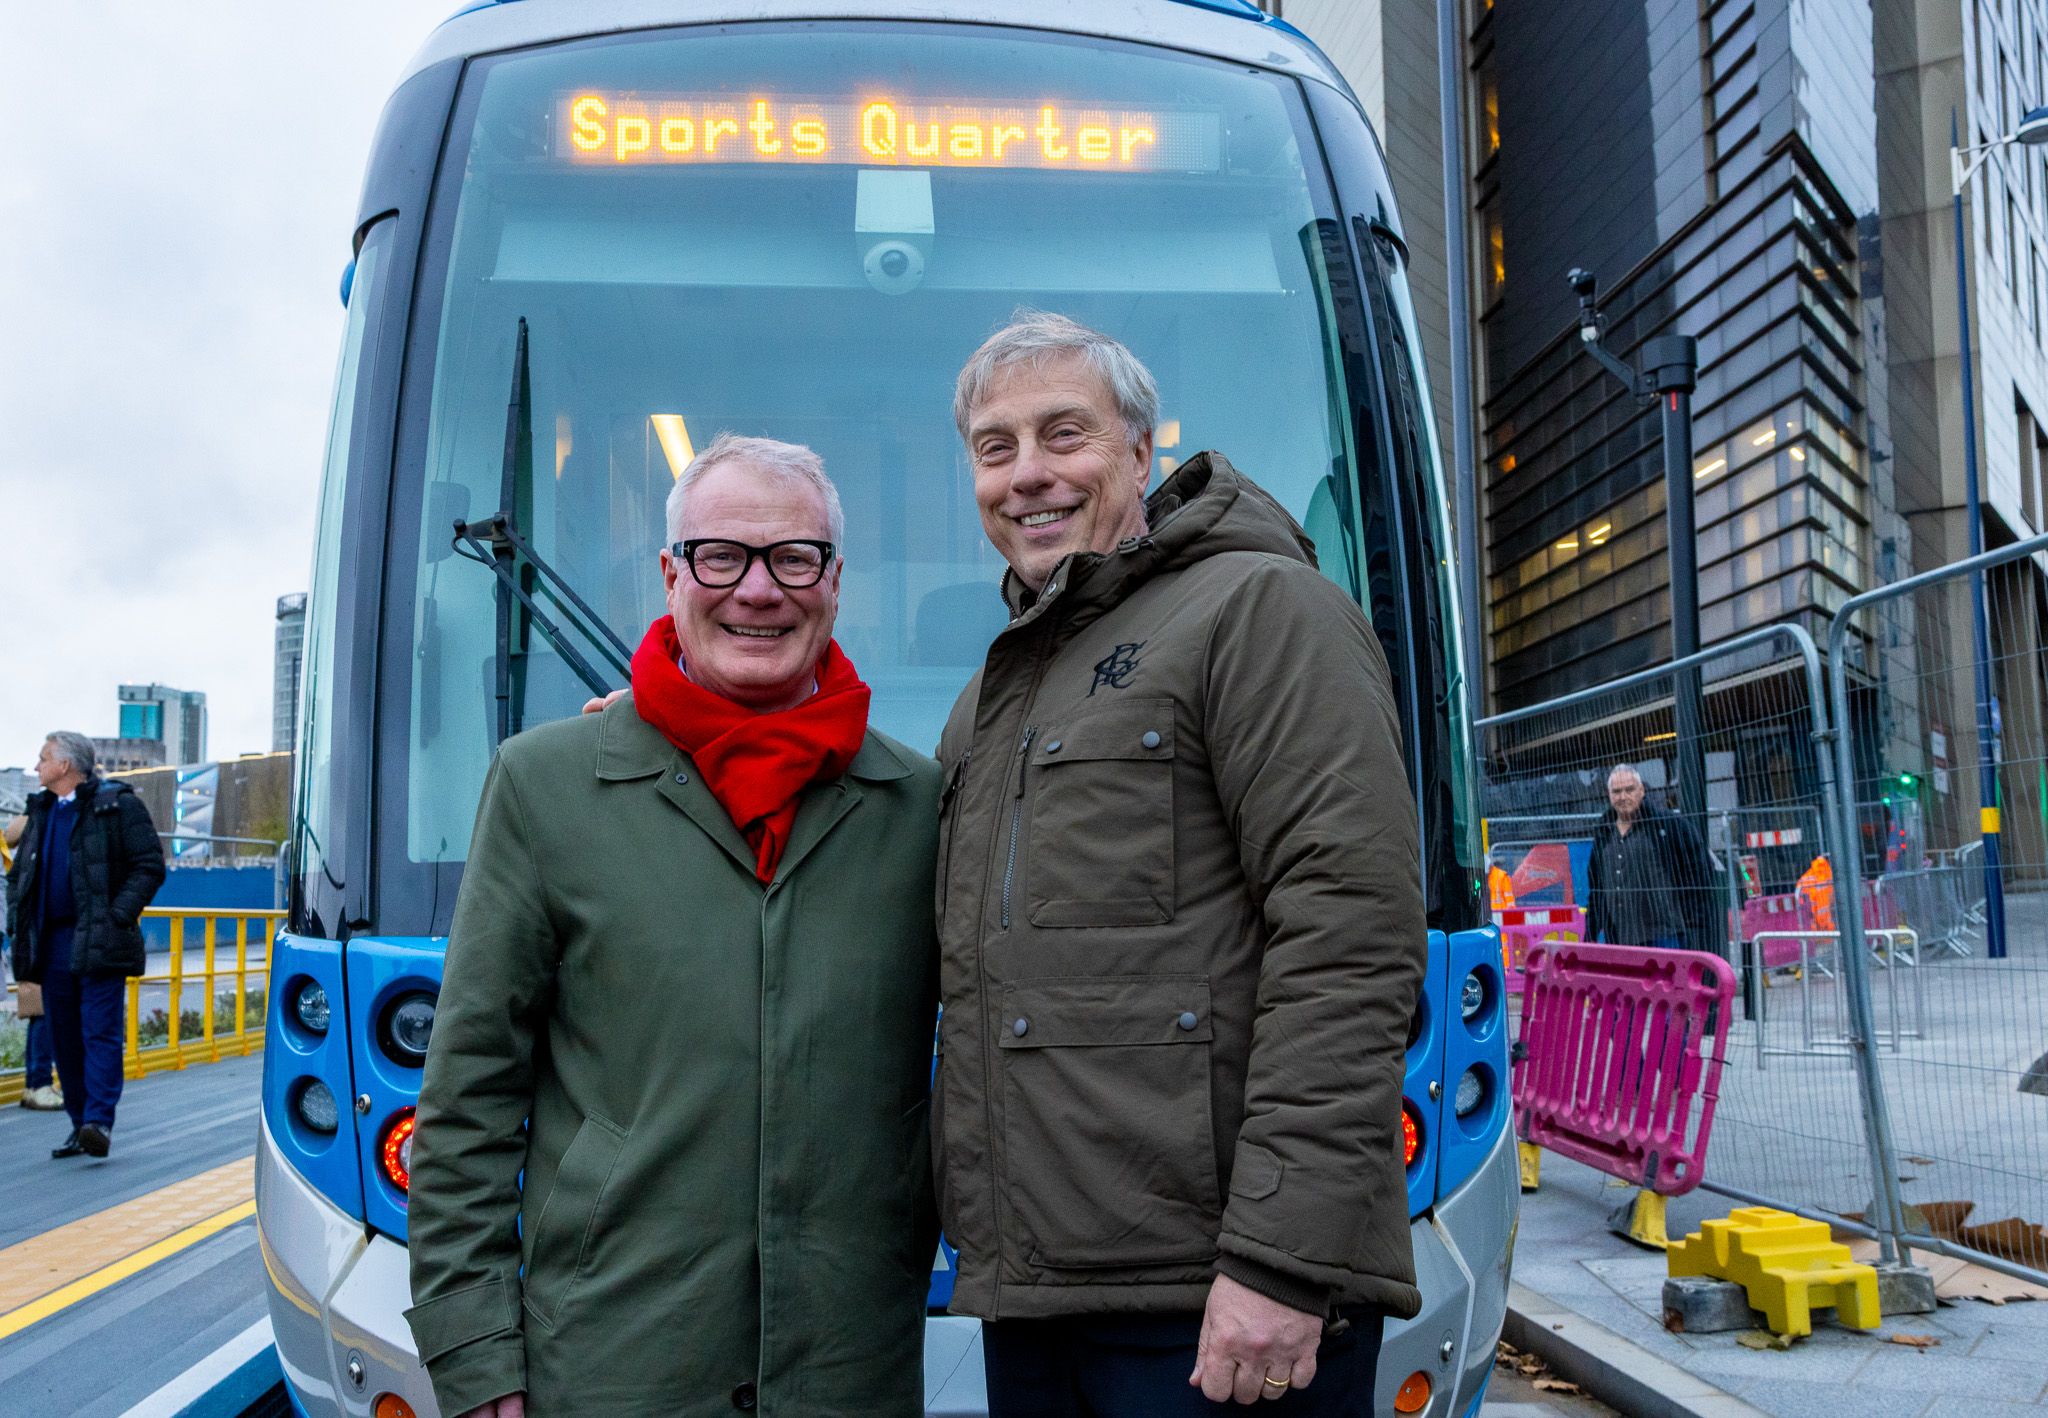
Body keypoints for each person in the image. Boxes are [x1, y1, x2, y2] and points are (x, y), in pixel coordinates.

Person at [933, 313, 1427, 1413]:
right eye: (994, 446)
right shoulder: (1001, 689)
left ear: (1140, 451)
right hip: (1044, 1297)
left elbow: (1349, 936)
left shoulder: (1260, 610)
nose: (1027, 475)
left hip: (1212, 1308)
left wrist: (1280, 1258)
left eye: (1063, 434)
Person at [406, 435, 941, 1418]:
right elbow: (467, 1101)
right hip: (614, 1362)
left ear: (833, 582)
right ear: (670, 574)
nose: (757, 589)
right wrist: (477, 1352)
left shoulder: (917, 801)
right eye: (719, 555)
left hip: (852, 1365)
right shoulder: (545, 784)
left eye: (794, 557)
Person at [4, 732, 164, 1157]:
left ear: (65, 766)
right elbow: (19, 877)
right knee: (64, 1038)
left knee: (99, 1032)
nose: (37, 766)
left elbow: (149, 865)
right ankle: (81, 1126)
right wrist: (16, 926)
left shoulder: (117, 804)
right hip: (52, 943)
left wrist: (117, 916)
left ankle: (99, 1121)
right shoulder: (39, 812)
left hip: (100, 939)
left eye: (43, 759)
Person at [1584, 764, 1714, 950]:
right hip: (1620, 940)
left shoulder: (1667, 826)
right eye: (1617, 791)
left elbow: (1698, 872)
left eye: (1629, 790)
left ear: (1641, 790)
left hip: (1666, 937)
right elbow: (1597, 890)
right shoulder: (1603, 835)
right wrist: (1591, 933)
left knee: (1669, 980)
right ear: (1609, 794)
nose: (1623, 797)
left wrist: (1695, 924)